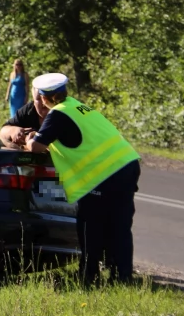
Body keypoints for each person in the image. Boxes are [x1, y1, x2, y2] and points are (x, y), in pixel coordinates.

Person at [22, 73, 142, 286]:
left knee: (90, 226)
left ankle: (88, 277)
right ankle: (123, 278)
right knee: (120, 227)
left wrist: (29, 138)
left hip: (104, 175)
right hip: (127, 165)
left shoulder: (58, 114)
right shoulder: (79, 107)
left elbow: (37, 147)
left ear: (43, 98)